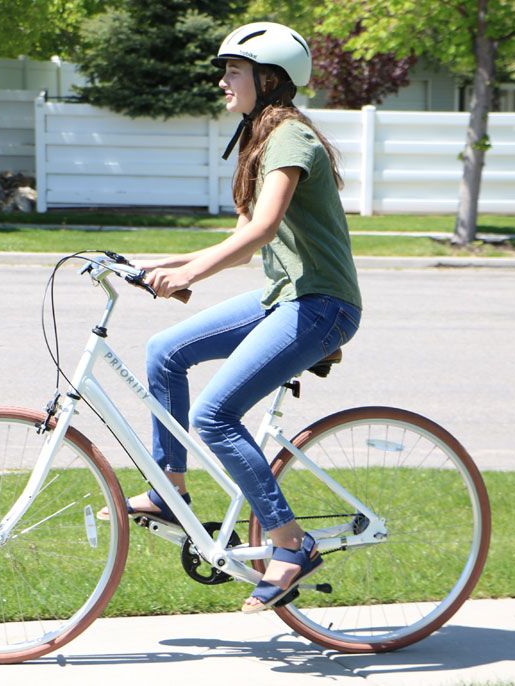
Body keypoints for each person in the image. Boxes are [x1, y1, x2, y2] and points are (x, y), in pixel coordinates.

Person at [119, 22, 362, 613]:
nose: (223, 80)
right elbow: (244, 242)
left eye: (234, 70)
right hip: (285, 296)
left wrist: (189, 277)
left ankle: (289, 542)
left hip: (322, 303)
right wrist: (156, 265)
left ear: (269, 79)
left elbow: (261, 231)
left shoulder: (290, 139)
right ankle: (168, 488)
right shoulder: (262, 135)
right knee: (164, 352)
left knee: (215, 416)